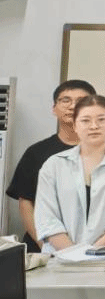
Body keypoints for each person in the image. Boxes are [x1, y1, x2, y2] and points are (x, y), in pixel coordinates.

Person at [34, 95, 105, 253]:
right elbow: (47, 217)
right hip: (60, 257)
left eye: (101, 119)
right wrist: (74, 254)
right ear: (75, 125)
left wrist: (93, 252)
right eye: (85, 120)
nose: (94, 126)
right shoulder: (54, 165)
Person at [6, 79, 98, 253]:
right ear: (54, 108)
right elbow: (26, 204)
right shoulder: (36, 153)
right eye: (66, 100)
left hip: (95, 249)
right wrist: (45, 246)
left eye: (81, 101)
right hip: (45, 250)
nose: (72, 106)